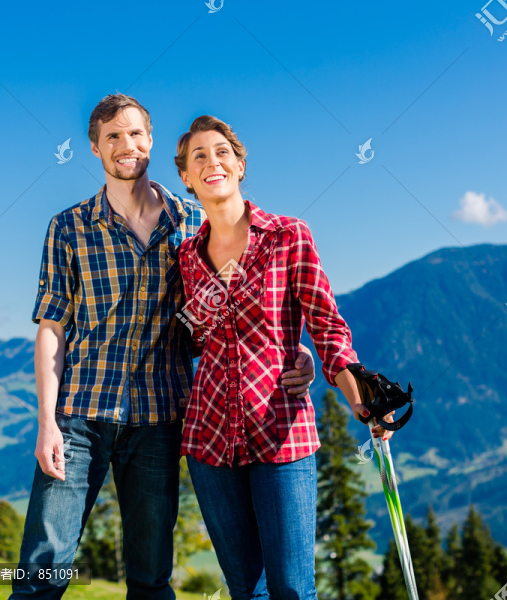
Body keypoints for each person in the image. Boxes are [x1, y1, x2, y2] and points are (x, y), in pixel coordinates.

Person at [10, 95, 317, 600]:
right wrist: (47, 422)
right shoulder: (68, 227)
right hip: (79, 415)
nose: (125, 145)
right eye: (112, 136)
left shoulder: (192, 224)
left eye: (134, 134)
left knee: (151, 577)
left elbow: (235, 310)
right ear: (94, 148)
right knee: (42, 568)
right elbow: (51, 327)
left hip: (159, 417)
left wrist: (293, 349)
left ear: (150, 141)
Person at [174, 115, 395, 600]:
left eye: (222, 152)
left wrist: (359, 396)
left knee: (293, 590)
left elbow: (327, 326)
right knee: (246, 592)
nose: (213, 162)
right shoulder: (186, 259)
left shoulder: (288, 236)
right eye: (198, 157)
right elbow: (187, 341)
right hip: (209, 442)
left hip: (282, 435)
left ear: (240, 165)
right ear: (186, 178)